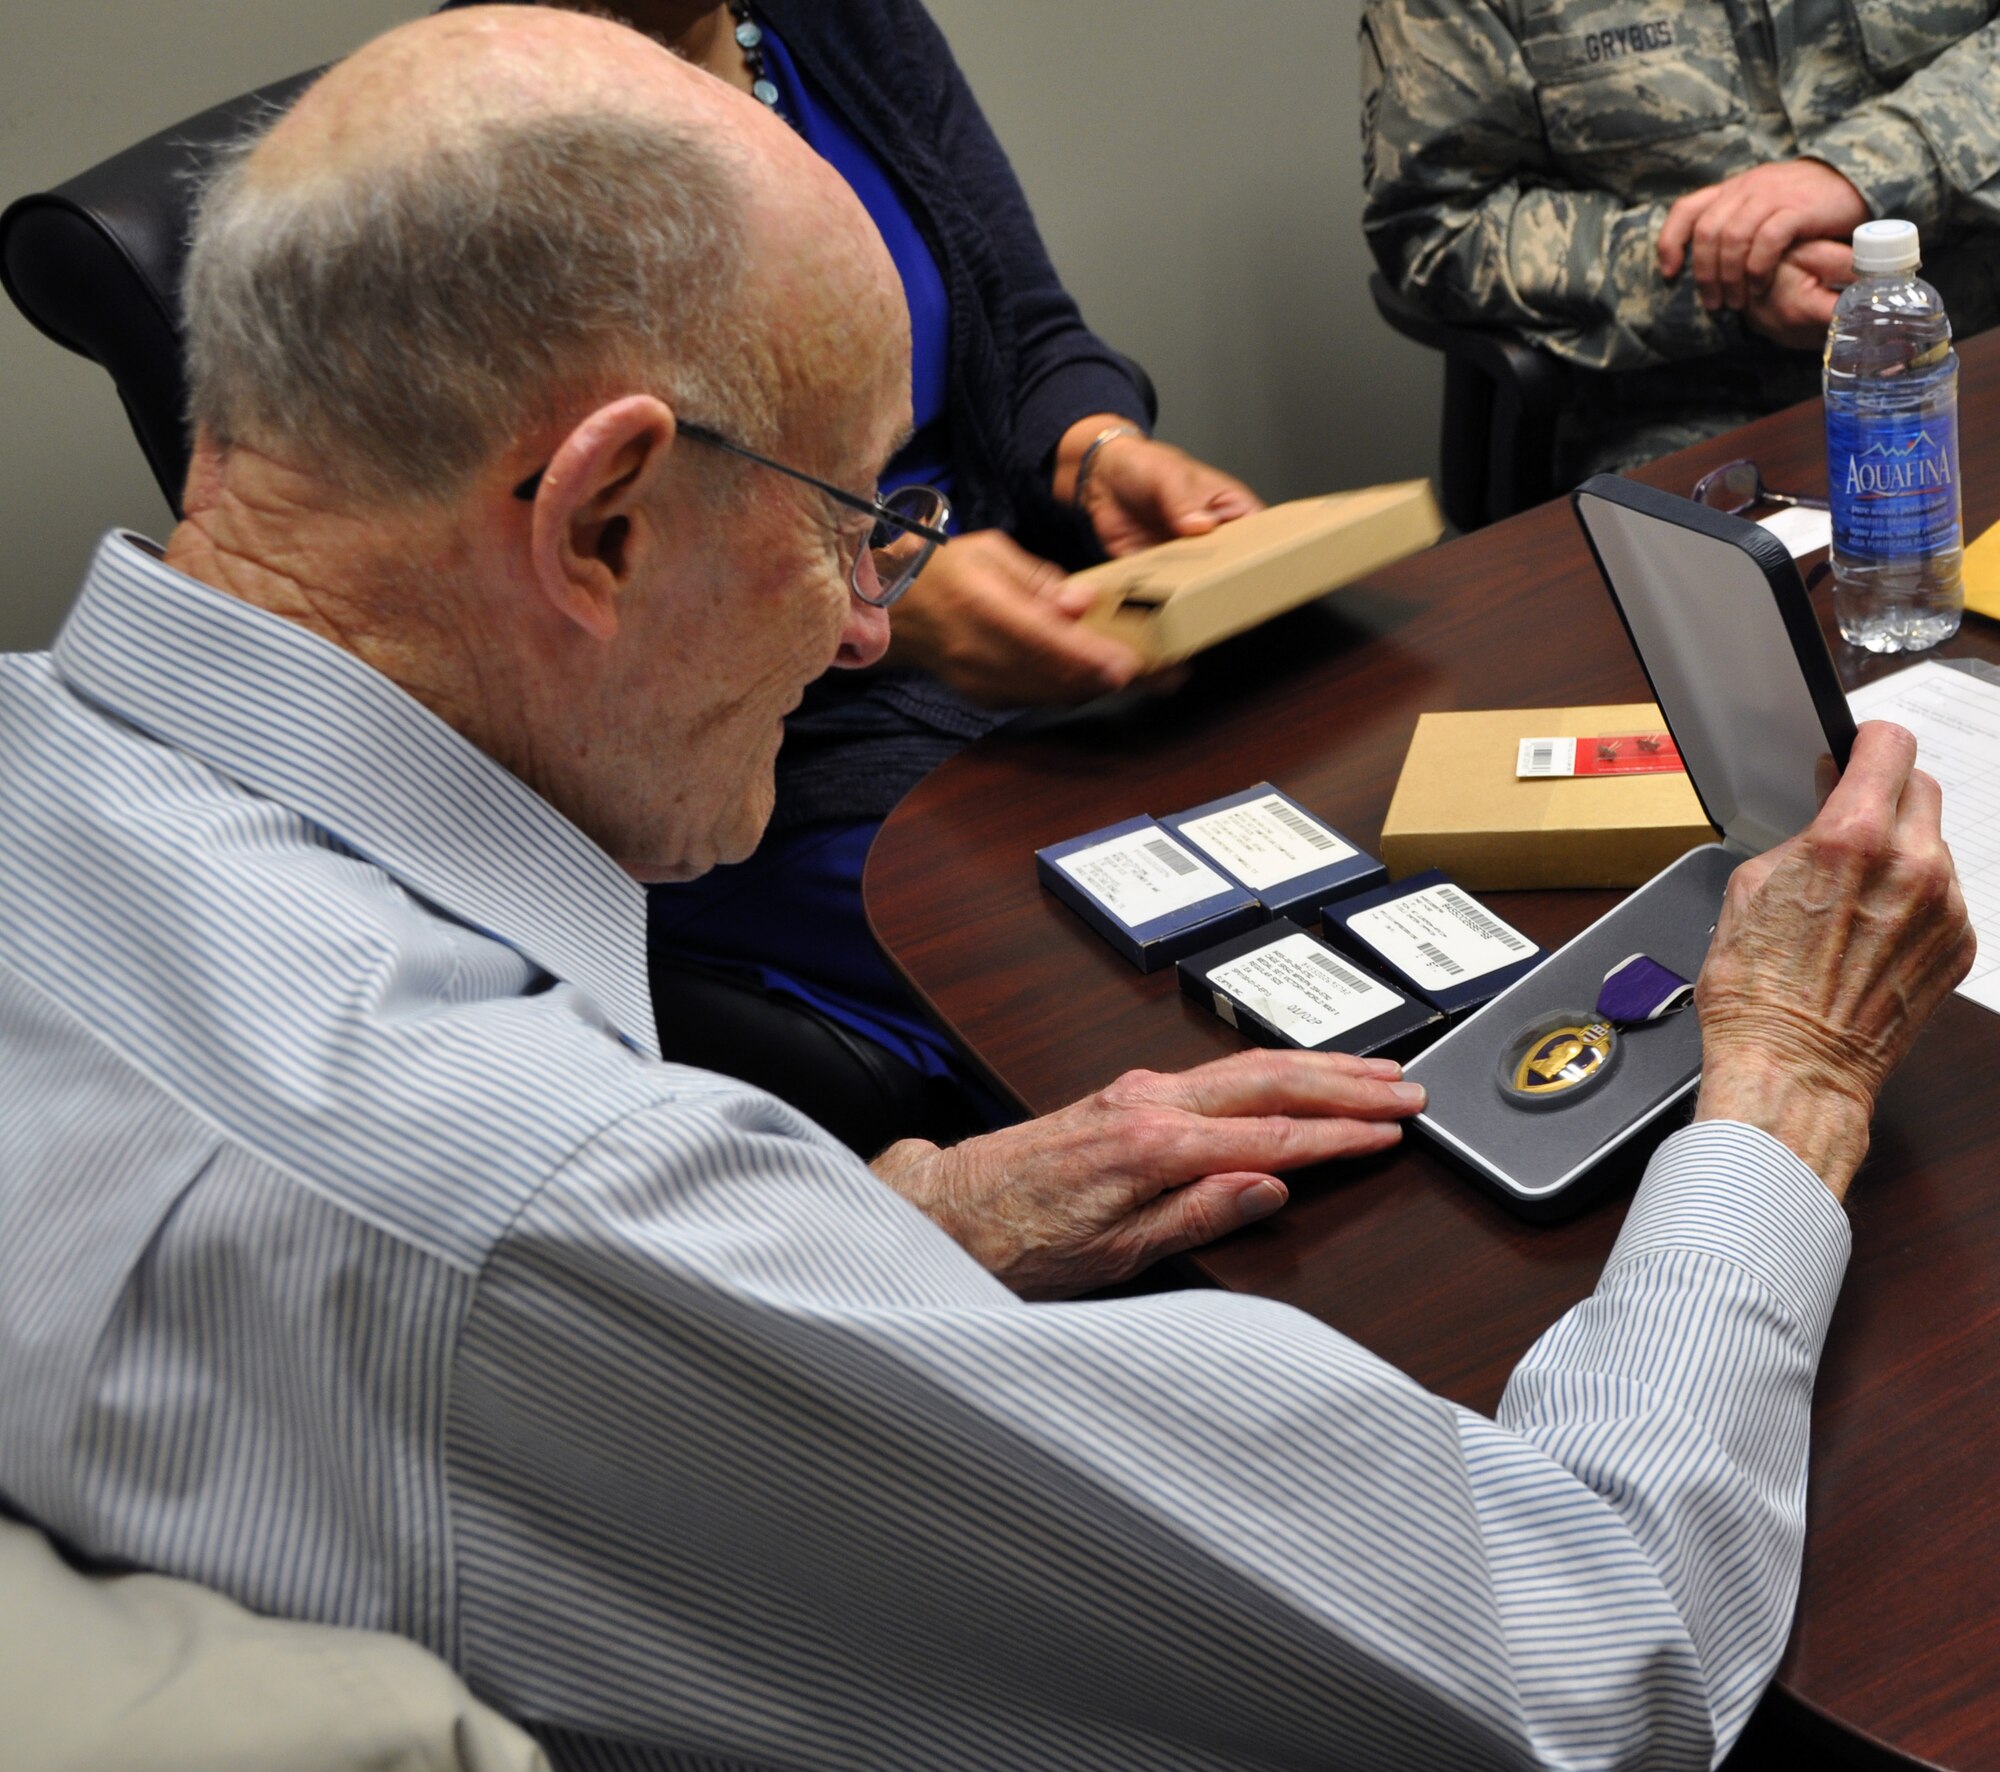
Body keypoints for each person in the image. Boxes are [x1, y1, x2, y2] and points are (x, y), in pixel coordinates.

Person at [0, 10, 1975, 1768]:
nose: (873, 628)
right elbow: (1590, 1655)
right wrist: (1789, 1080)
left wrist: (894, 1222)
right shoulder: (542, 1206)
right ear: (598, 516)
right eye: (861, 523)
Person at [435, 0, 1261, 1126]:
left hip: (1021, 608)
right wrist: (886, 597)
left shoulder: (843, 25)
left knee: (1327, 798)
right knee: (1158, 959)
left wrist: (1092, 453)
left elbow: (1020, 328)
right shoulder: (484, 132)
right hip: (764, 732)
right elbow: (584, 564)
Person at [1361, 0, 2000, 480]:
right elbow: (1438, 224)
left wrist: (1874, 166)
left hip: (1977, 334)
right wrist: (1724, 275)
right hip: (1696, 404)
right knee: (1748, 632)